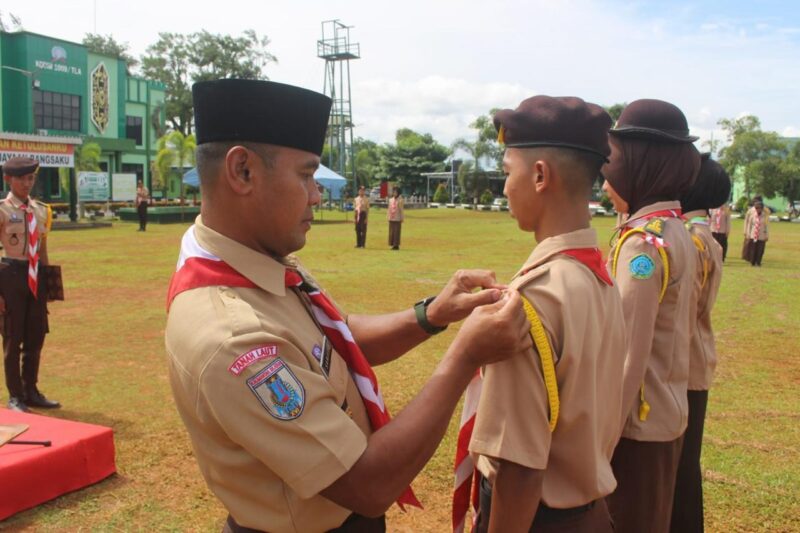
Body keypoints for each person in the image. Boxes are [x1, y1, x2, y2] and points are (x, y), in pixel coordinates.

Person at [164, 79, 532, 533]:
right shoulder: (233, 338)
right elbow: (367, 483)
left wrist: (431, 314)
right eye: (305, 175)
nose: (317, 195)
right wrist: (464, 357)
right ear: (242, 171)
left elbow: (330, 341)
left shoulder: (253, 263)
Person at [463, 95, 626, 532]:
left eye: (507, 172)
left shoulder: (532, 299)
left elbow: (518, 466)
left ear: (539, 176)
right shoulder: (599, 277)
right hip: (590, 514)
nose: (504, 188)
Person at [601, 98, 700, 533]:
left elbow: (627, 356)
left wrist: (599, 445)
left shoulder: (644, 246)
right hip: (665, 416)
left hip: (635, 431)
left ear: (640, 162)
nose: (605, 177)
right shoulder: (676, 230)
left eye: (615, 160)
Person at [671, 153, 731, 532]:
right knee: (684, 465)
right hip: (695, 362)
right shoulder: (704, 236)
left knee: (678, 468)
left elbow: (682, 312)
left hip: (685, 365)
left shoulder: (691, 241)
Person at [0, 157, 60, 412]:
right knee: (13, 337)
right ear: (8, 180)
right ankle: (15, 396)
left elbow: (42, 247)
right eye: (22, 178)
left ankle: (31, 390)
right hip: (11, 275)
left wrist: (46, 282)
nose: (27, 183)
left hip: (35, 276)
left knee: (36, 335)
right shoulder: (2, 210)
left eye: (31, 178)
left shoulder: (40, 210)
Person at [744, 200, 769, 266]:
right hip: (753, 235)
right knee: (753, 249)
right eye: (756, 208)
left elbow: (766, 226)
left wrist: (767, 235)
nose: (758, 209)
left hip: (761, 235)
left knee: (760, 250)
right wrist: (748, 233)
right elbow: (749, 225)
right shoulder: (752, 216)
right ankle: (752, 262)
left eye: (759, 208)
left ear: (762, 208)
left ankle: (758, 262)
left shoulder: (765, 216)